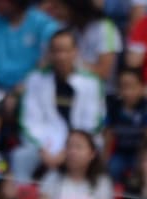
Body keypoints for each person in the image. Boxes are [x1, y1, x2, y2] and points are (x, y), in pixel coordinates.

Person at [12, 29, 105, 181]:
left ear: (75, 52)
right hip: (44, 144)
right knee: (20, 157)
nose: (61, 56)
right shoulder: (35, 79)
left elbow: (93, 124)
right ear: (50, 53)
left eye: (65, 51)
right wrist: (44, 150)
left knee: (86, 155)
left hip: (80, 144)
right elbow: (29, 122)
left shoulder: (92, 82)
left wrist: (68, 150)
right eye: (56, 51)